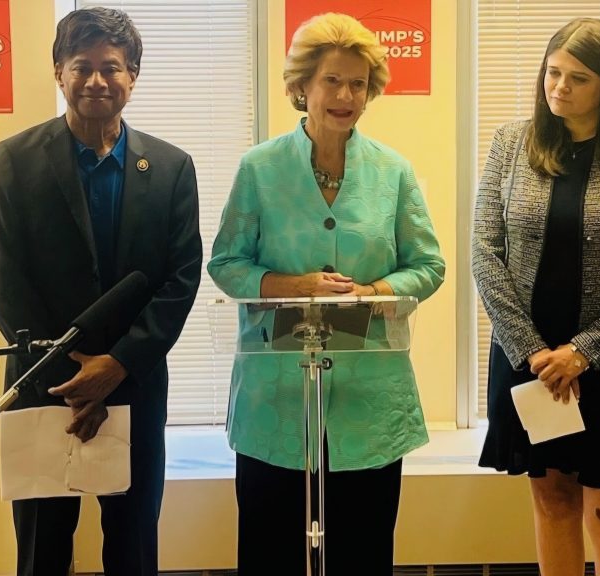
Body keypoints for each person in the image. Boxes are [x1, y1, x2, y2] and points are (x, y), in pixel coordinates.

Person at [207, 12, 445, 575]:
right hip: (277, 403)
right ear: (301, 87)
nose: (345, 95)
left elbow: (428, 265)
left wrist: (371, 291)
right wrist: (295, 286)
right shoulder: (260, 170)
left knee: (362, 555)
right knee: (272, 554)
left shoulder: (394, 172)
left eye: (358, 83)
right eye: (331, 81)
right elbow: (226, 263)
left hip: (368, 401)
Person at [0, 7, 201, 575]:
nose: (97, 81)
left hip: (136, 387)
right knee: (41, 553)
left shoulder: (174, 168)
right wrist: (73, 373)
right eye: (82, 66)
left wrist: (118, 365)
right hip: (42, 387)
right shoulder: (14, 160)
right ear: (59, 72)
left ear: (133, 75)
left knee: (132, 552)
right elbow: (8, 283)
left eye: (113, 67)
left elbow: (180, 279)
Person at [472, 18, 600, 576]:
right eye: (552, 72)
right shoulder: (511, 144)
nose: (558, 87)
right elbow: (485, 254)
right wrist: (533, 351)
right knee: (554, 503)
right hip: (533, 365)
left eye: (578, 78)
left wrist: (584, 350)